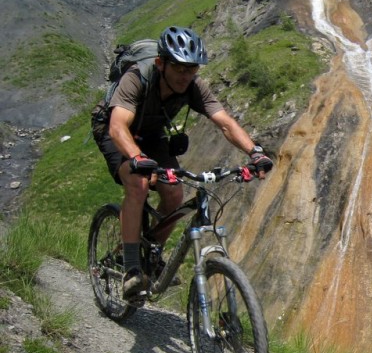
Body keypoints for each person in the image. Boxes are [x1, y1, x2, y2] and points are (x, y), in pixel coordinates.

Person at [94, 26, 273, 302]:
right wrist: (138, 158)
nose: (185, 75)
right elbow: (118, 127)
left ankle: (152, 255)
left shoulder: (193, 86)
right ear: (160, 63)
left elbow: (224, 122)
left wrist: (255, 152)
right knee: (139, 183)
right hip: (113, 128)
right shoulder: (138, 77)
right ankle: (130, 268)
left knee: (175, 193)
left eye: (191, 69)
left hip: (152, 134)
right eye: (178, 68)